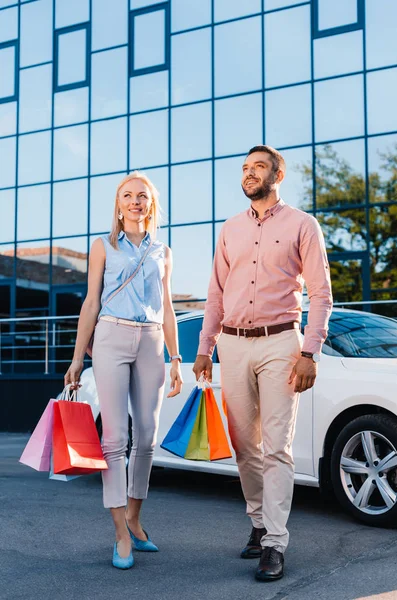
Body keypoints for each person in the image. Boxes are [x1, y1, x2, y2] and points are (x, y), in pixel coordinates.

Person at [193, 145, 333, 582]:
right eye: (245, 168)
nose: (249, 174)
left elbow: (321, 293)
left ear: (279, 173)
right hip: (232, 345)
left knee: (277, 447)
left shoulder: (302, 224)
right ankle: (258, 523)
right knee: (244, 445)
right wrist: (204, 346)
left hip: (281, 344)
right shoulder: (230, 229)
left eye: (258, 167)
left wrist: (309, 352)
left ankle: (274, 543)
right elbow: (215, 293)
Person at [64, 171, 183, 570]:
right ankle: (119, 533)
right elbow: (90, 304)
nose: (135, 202)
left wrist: (176, 358)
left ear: (151, 204)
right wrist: (78, 358)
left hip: (151, 342)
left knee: (147, 437)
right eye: (128, 196)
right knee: (114, 437)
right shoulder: (103, 247)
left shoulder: (163, 251)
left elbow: (167, 309)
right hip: (111, 338)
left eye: (142, 196)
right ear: (119, 205)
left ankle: (134, 516)